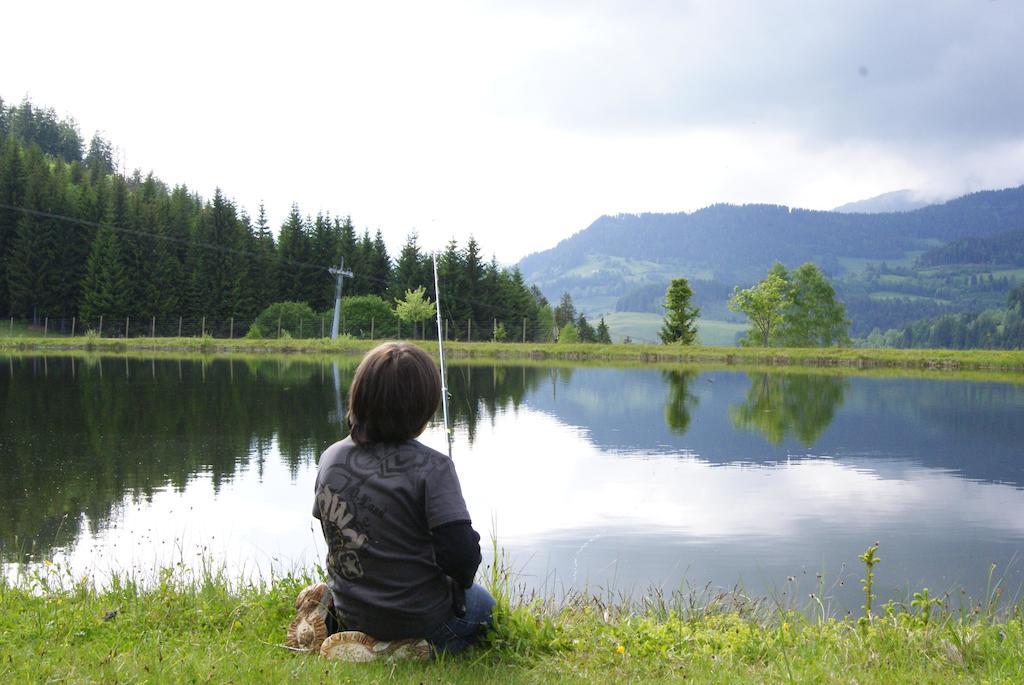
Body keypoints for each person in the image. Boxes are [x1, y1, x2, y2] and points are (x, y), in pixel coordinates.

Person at [287, 342, 494, 661]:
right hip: (421, 617)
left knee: (347, 588)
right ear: (423, 408)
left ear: (359, 396)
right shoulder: (434, 468)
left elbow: (329, 526)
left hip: (354, 610)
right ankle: (412, 648)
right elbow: (462, 556)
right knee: (483, 604)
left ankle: (333, 619)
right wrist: (459, 584)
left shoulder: (332, 458)